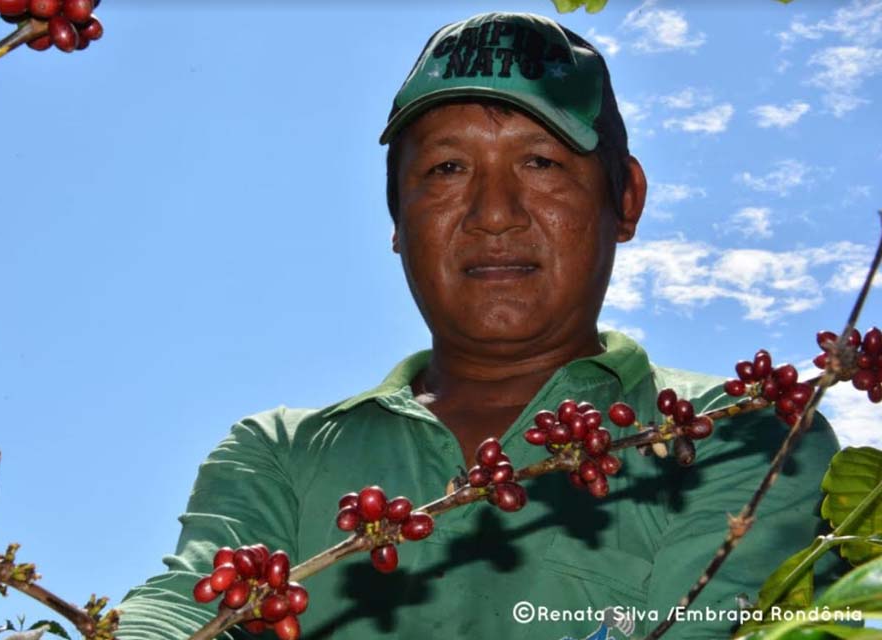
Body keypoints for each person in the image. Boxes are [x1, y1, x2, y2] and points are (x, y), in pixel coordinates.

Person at [116, 12, 844, 640]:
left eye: (540, 162)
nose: (494, 213)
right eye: (445, 170)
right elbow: (187, 606)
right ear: (397, 220)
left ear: (625, 201)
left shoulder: (746, 435)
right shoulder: (281, 454)